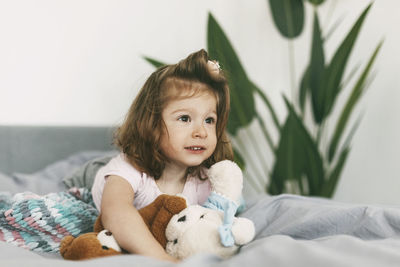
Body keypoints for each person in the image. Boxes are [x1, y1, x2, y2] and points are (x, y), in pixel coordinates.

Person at [91, 49, 234, 262]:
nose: (201, 132)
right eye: (185, 118)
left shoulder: (205, 182)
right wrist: (161, 259)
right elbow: (115, 212)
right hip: (98, 177)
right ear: (152, 125)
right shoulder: (129, 170)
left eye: (209, 120)